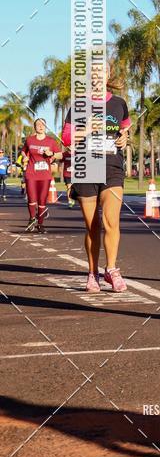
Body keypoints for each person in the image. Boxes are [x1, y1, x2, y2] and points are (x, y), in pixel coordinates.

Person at [62, 64, 131, 292]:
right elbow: (66, 138)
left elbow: (125, 131)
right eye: (95, 72)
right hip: (86, 166)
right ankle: (92, 274)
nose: (98, 75)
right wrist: (87, 130)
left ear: (108, 75)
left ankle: (111, 269)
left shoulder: (119, 103)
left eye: (102, 71)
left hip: (112, 166)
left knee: (111, 221)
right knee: (92, 226)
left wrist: (124, 139)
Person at [21, 119, 61, 232]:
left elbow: (60, 155)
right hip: (31, 173)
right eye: (38, 125)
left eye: (43, 124)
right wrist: (24, 156)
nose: (40, 126)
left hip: (45, 175)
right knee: (32, 199)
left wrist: (52, 154)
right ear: (35, 127)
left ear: (46, 126)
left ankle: (41, 224)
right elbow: (23, 151)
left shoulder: (51, 141)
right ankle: (32, 218)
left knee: (42, 200)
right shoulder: (29, 140)